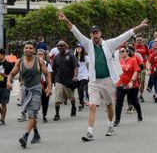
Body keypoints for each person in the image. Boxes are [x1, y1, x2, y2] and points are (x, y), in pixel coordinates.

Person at [58, 10, 148, 141]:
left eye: (97, 32)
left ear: (100, 34)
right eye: (93, 33)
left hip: (107, 81)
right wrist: (66, 20)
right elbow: (75, 31)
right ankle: (89, 132)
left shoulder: (109, 44)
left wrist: (139, 27)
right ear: (91, 35)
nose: (95, 35)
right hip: (94, 81)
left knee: (110, 105)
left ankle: (110, 125)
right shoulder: (88, 44)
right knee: (92, 106)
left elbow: (125, 35)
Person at [7, 41, 52, 148]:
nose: (28, 50)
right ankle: (36, 133)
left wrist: (49, 87)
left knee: (31, 113)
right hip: (25, 90)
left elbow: (47, 73)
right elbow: (12, 74)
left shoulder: (39, 60)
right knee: (31, 114)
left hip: (36, 89)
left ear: (34, 50)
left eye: (30, 48)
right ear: (23, 49)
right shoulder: (20, 61)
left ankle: (25, 136)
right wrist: (9, 81)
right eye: (26, 48)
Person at [114, 46, 143, 126]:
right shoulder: (120, 62)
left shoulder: (133, 60)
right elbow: (117, 73)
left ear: (127, 52)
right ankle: (117, 120)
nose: (121, 53)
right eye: (120, 52)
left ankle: (139, 114)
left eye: (123, 51)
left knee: (134, 102)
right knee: (119, 102)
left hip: (132, 85)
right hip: (121, 85)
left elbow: (136, 71)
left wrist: (132, 81)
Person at [52, 40, 79, 121]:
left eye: (61, 46)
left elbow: (76, 67)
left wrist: (75, 76)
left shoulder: (71, 56)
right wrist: (53, 80)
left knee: (72, 97)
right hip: (59, 79)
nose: (60, 47)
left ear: (66, 46)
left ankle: (73, 107)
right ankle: (57, 114)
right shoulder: (56, 57)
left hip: (69, 80)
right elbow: (54, 69)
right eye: (58, 46)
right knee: (57, 96)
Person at [0, 49, 14, 126]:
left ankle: (2, 119)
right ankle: (2, 113)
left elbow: (12, 75)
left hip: (6, 86)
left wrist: (5, 76)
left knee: (3, 103)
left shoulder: (9, 64)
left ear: (3, 55)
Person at [36, 49, 53, 123]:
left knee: (45, 101)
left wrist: (49, 86)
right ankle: (34, 114)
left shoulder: (47, 64)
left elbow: (49, 75)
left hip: (45, 84)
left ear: (44, 56)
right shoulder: (33, 64)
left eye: (41, 54)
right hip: (36, 84)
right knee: (36, 101)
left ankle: (44, 115)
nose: (40, 56)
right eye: (38, 54)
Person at [134, 34, 149, 102]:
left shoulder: (145, 46)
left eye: (140, 40)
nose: (139, 41)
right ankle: (135, 95)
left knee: (142, 81)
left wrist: (148, 65)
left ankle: (141, 95)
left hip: (142, 66)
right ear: (135, 40)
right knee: (136, 81)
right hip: (134, 66)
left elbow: (148, 55)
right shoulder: (133, 46)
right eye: (138, 40)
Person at [74, 44, 89, 111]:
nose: (78, 49)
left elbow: (88, 66)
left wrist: (89, 75)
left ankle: (80, 103)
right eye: (77, 48)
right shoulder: (74, 57)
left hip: (85, 75)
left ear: (82, 49)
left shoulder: (86, 57)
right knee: (79, 90)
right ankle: (82, 102)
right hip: (77, 75)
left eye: (80, 48)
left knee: (81, 89)